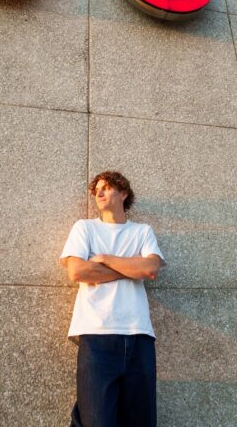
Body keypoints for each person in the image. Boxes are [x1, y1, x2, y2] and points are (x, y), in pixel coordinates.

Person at [59, 170, 167, 427]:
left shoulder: (142, 231)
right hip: (96, 336)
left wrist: (105, 259)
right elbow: (78, 271)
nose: (100, 192)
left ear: (124, 193)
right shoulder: (85, 228)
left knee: (141, 421)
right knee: (96, 421)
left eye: (107, 187)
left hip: (139, 336)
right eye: (97, 189)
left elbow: (150, 269)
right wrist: (130, 269)